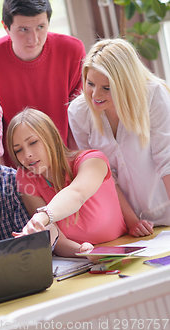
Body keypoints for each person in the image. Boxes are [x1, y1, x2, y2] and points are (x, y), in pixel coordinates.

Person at [69, 38, 170, 234]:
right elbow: (101, 175)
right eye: (90, 84)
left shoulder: (153, 95)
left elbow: (167, 161)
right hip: (126, 223)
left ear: (125, 84)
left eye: (106, 88)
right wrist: (131, 221)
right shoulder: (79, 112)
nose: (95, 95)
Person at [0, 0, 85, 166]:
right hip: (14, 171)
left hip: (65, 162)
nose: (34, 39)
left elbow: (79, 120)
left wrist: (76, 166)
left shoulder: (72, 51)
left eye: (41, 27)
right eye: (24, 30)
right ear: (6, 27)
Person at [7, 108, 127, 256]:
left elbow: (77, 194)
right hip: (80, 261)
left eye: (33, 142)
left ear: (54, 138)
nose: (27, 154)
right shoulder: (25, 178)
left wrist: (41, 217)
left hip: (125, 246)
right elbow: (57, 240)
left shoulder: (93, 160)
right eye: (18, 150)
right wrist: (84, 252)